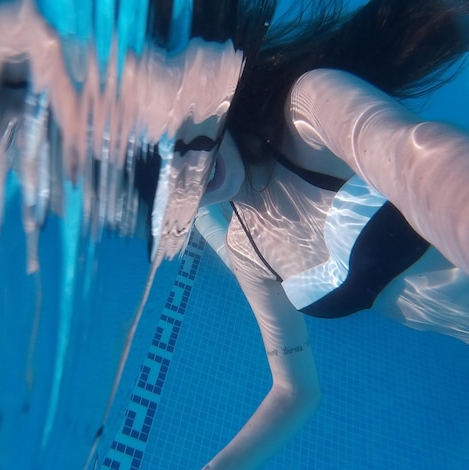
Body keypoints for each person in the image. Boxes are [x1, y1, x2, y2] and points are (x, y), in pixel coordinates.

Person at [195, 0, 469, 468]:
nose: (182, 165)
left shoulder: (307, 109)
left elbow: (421, 162)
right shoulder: (248, 251)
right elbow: (293, 391)